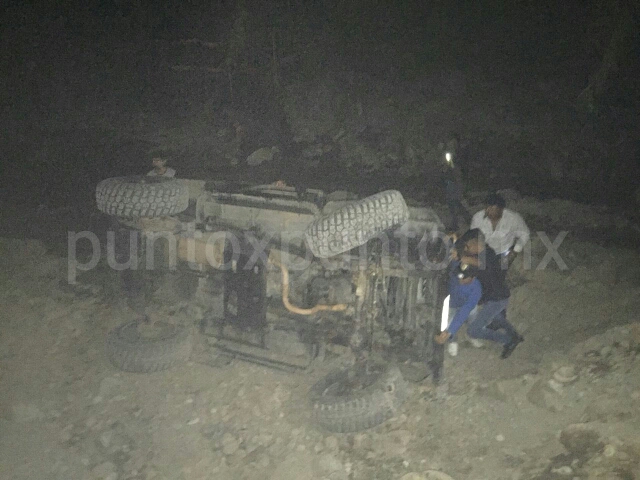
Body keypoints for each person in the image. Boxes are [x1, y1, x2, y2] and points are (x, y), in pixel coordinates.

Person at [457, 229, 524, 359]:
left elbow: (483, 264)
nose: (467, 249)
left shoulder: (489, 254)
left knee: (473, 331)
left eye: (468, 246)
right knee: (496, 319)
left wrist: (465, 259)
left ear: (475, 243)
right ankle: (515, 335)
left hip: (497, 299)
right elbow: (470, 273)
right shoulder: (479, 256)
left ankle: (509, 340)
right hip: (494, 298)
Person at [435, 261, 482, 356]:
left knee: (473, 319)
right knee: (446, 325)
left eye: (464, 278)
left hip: (467, 308)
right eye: (460, 276)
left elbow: (464, 311)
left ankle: (471, 335)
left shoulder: (476, 289)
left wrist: (449, 331)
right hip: (452, 305)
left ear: (473, 278)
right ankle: (452, 341)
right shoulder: (455, 273)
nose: (460, 279)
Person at [470, 193, 530, 267]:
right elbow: (472, 236)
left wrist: (514, 252)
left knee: (500, 272)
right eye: (486, 208)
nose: (488, 211)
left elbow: (525, 234)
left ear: (501, 209)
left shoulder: (513, 218)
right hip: (484, 250)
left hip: (503, 251)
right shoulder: (477, 218)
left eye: (492, 208)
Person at [441, 151, 471, 232]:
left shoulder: (454, 167)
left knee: (455, 206)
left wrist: (459, 189)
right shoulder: (446, 167)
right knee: (455, 206)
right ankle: (466, 220)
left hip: (454, 189)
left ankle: (457, 224)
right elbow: (444, 177)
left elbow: (457, 178)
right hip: (450, 189)